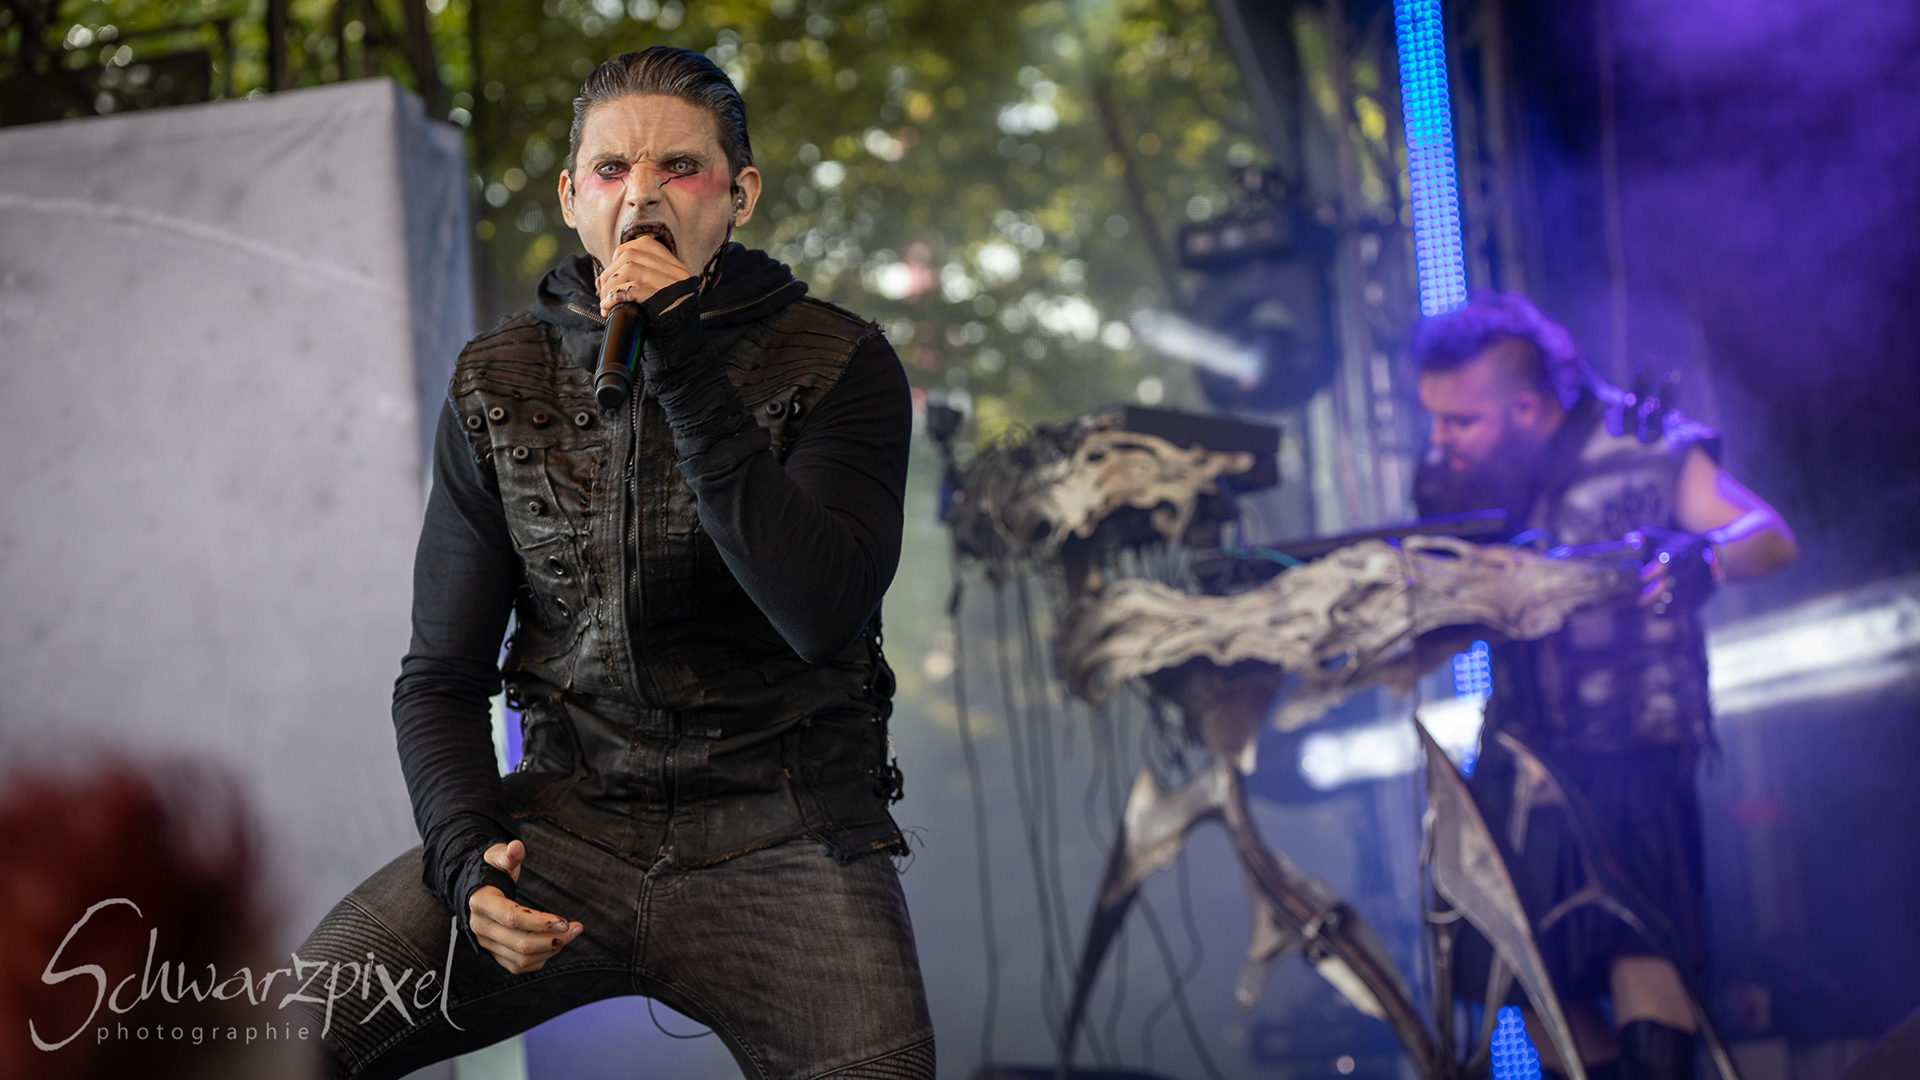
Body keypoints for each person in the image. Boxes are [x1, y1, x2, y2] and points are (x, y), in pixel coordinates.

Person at [293, 47, 932, 1080]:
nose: (642, 194)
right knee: (281, 1037)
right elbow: (441, 677)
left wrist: (682, 355)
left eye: (680, 167)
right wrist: (466, 861)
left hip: (787, 834)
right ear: (572, 197)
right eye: (611, 169)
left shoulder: (839, 360)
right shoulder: (496, 379)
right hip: (569, 825)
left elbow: (822, 611)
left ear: (739, 195)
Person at [1410, 293, 1797, 1080]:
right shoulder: (1469, 476)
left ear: (1525, 406)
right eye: (1435, 420)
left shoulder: (1640, 446)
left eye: (1460, 421)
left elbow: (1768, 537)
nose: (1439, 438)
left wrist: (1707, 557)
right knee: (1523, 972)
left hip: (1633, 753)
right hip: (1520, 751)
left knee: (1640, 950)